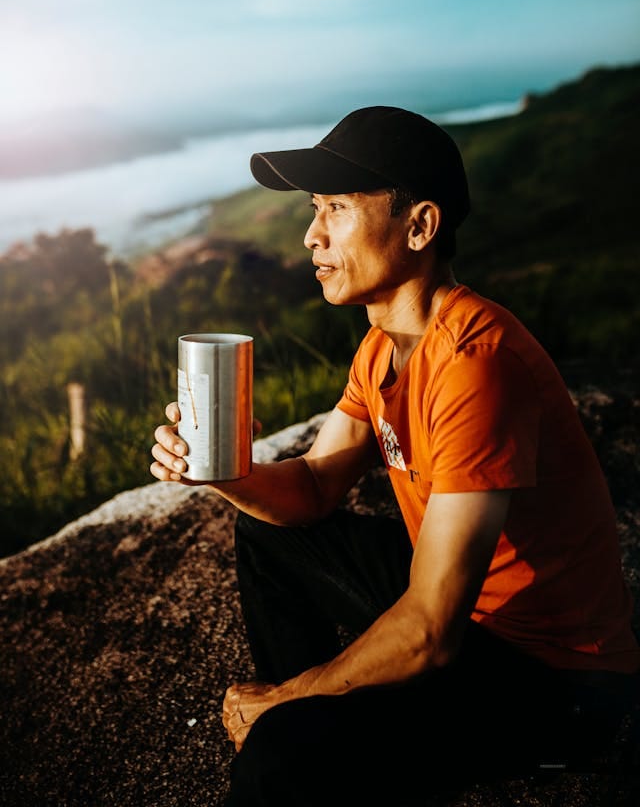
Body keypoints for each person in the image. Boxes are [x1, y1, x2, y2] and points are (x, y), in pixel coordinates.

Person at [151, 106, 639, 806]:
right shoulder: (381, 347)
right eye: (316, 208)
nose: (312, 234)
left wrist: (288, 701)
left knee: (283, 748)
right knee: (268, 529)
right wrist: (224, 472)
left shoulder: (475, 362)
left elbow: (434, 628)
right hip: (469, 621)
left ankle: (308, 737)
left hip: (557, 679)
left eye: (339, 209)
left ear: (420, 227)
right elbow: (318, 486)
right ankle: (330, 736)